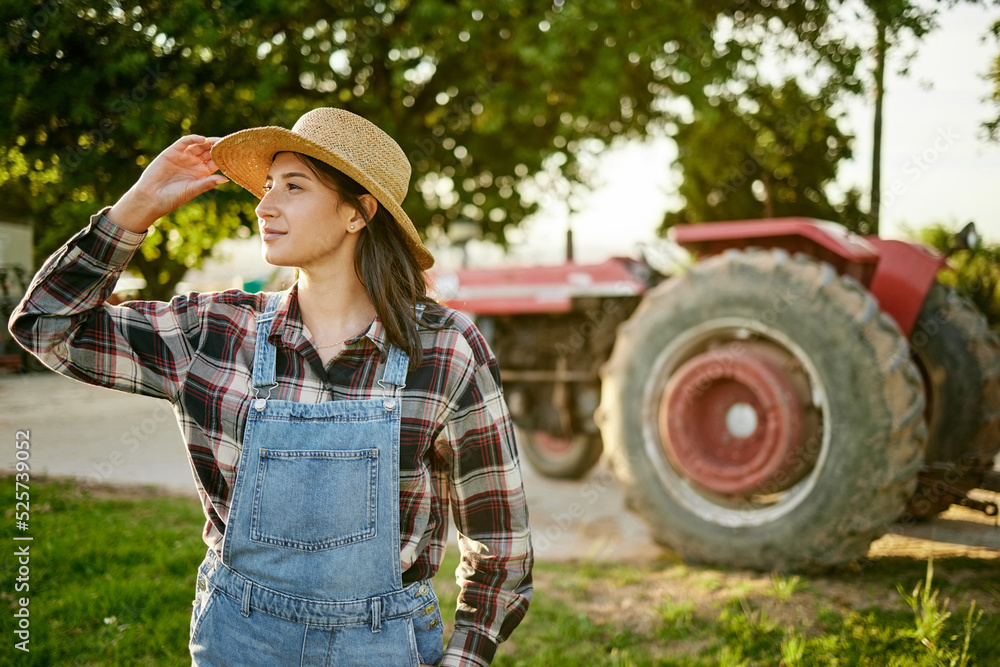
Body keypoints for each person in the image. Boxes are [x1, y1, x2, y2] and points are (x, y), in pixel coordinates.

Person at [9, 107, 533, 666]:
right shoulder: (214, 331)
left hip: (384, 645)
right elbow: (46, 326)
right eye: (265, 186)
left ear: (359, 213)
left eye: (294, 186)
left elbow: (499, 543)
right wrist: (135, 209)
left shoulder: (447, 349)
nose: (264, 205)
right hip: (239, 641)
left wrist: (465, 659)